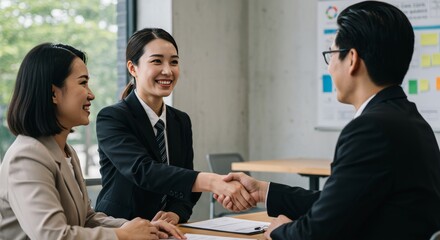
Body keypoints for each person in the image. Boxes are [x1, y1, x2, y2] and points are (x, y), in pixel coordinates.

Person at [216, 1, 440, 240]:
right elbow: (339, 204)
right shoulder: (408, 119)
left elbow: (319, 232)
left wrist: (278, 231)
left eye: (332, 54)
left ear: (352, 59)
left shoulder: (371, 129)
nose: (330, 67)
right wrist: (263, 191)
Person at [0, 43, 185, 240]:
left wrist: (142, 227)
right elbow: (52, 235)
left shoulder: (65, 151)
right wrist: (122, 234)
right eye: (83, 83)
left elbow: (86, 218)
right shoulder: (27, 156)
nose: (91, 94)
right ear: (54, 93)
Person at [95, 28, 254, 224]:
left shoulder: (181, 121)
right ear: (132, 68)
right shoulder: (112, 117)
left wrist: (176, 213)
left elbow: (185, 182)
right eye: (157, 61)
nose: (168, 70)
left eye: (174, 62)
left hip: (169, 230)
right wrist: (212, 182)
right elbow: (143, 171)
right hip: (120, 227)